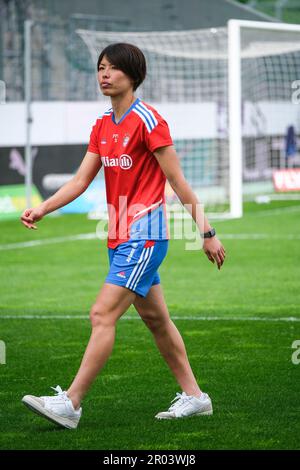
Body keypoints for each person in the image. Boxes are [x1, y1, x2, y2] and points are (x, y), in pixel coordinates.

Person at [20, 43, 226, 429]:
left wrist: (207, 232)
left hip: (145, 236)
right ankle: (196, 398)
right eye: (100, 68)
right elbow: (82, 180)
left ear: (133, 75)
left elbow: (177, 181)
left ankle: (71, 403)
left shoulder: (149, 120)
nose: (104, 74)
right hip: (118, 237)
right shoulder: (101, 125)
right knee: (157, 321)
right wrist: (43, 208)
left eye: (113, 68)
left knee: (101, 314)